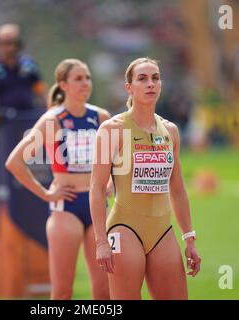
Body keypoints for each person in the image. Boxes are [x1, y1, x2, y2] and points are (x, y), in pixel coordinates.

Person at [89, 57, 201, 300]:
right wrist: (100, 242)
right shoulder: (112, 129)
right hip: (125, 227)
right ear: (129, 87)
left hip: (162, 229)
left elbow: (178, 189)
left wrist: (189, 238)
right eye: (142, 79)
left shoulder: (170, 130)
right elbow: (97, 188)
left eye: (155, 78)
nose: (150, 84)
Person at [5, 59, 111, 300]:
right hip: (67, 208)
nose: (85, 83)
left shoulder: (101, 117)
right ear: (63, 85)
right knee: (63, 291)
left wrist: (112, 181)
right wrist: (46, 194)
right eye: (78, 79)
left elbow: (117, 158)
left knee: (104, 291)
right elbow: (15, 162)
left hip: (98, 208)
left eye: (88, 77)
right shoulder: (53, 120)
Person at [0, 23, 46, 125]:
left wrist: (50, 107)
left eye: (11, 42)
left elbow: (41, 90)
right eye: (3, 43)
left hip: (30, 119)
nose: (8, 47)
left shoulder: (29, 65)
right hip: (5, 124)